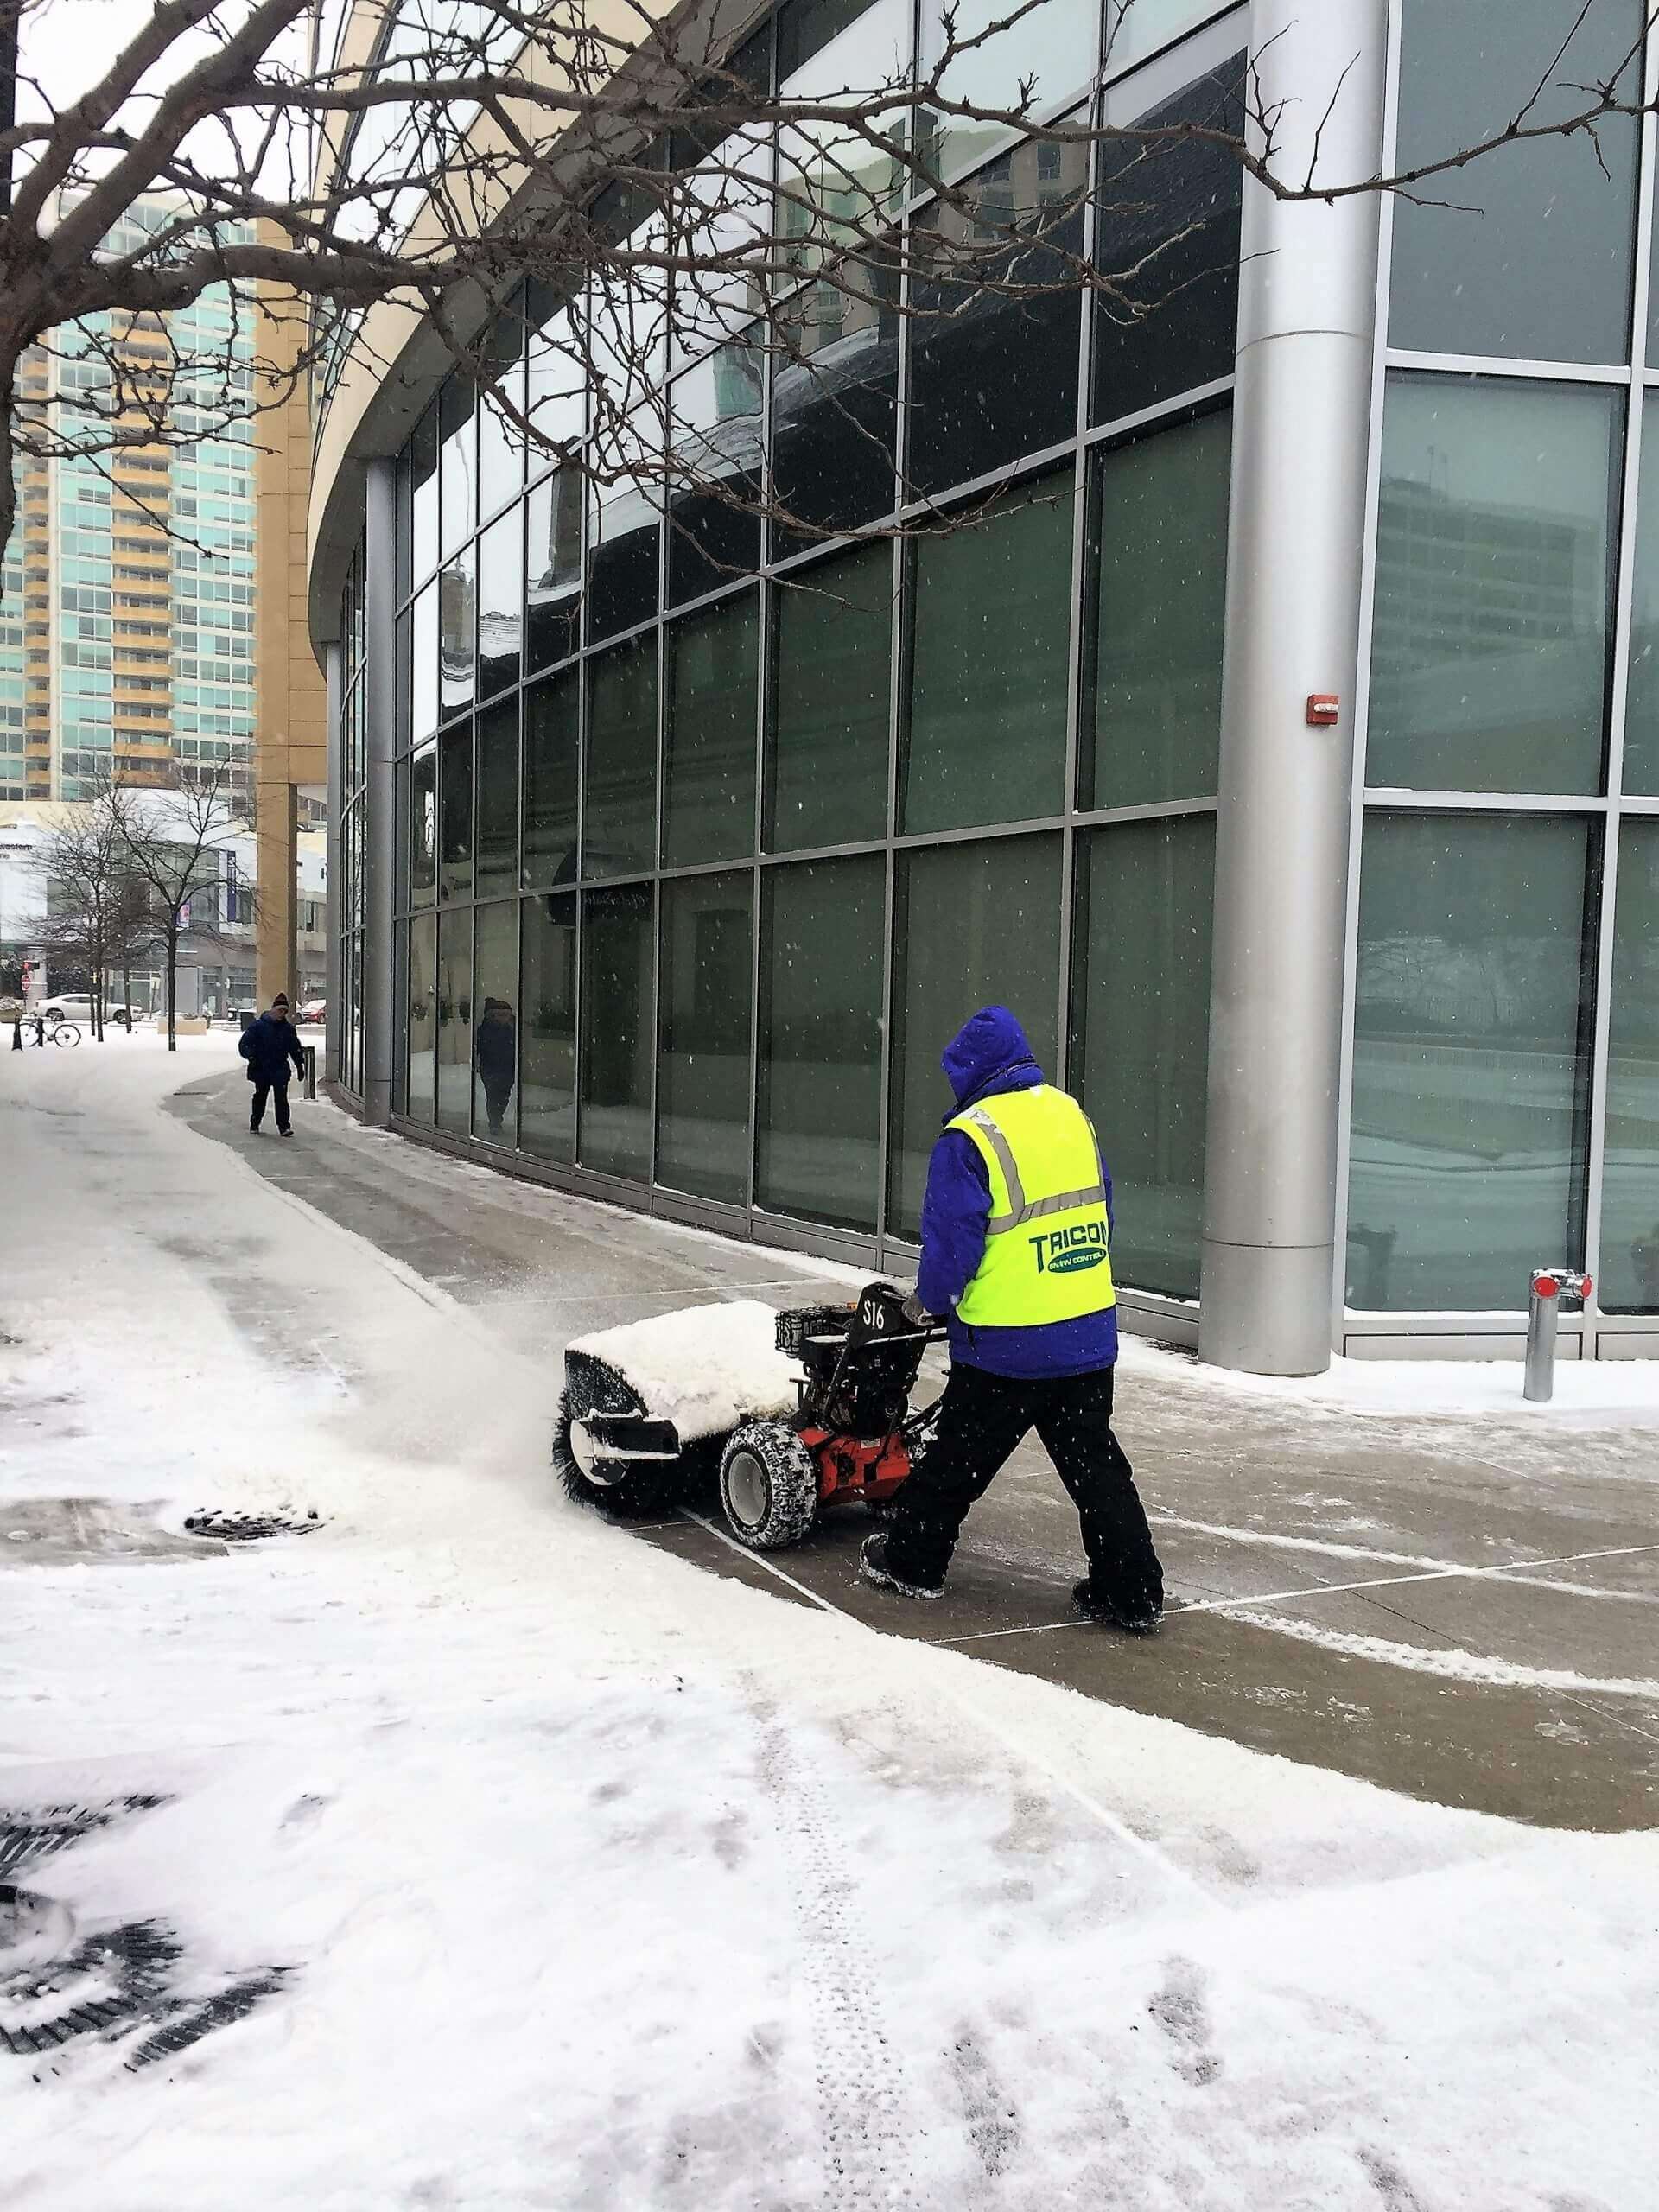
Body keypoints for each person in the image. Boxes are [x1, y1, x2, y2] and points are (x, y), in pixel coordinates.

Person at [860, 1005, 1164, 1632]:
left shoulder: (969, 1139)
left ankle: (912, 1562)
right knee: (1096, 1470)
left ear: (969, 1072)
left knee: (956, 1463)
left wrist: (928, 1304)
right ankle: (1131, 1590)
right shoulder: (1070, 1114)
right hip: (1084, 1334)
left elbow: (952, 1247)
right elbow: (1099, 1206)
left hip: (1007, 1347)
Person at [238, 991, 307, 1136]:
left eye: (285, 1011)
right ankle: (255, 1123)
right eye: (280, 1010)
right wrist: (251, 1056)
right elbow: (244, 1044)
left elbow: (295, 1048)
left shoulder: (288, 1030)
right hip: (261, 1068)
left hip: (279, 1069)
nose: (282, 1014)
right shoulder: (258, 1027)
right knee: (260, 1097)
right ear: (273, 1010)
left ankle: (284, 1127)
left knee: (281, 1099)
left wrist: (299, 1065)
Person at [474, 996, 517, 1139]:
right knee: (493, 1095)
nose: (502, 1018)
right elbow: (479, 1047)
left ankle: (496, 1118)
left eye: (505, 1015)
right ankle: (495, 1121)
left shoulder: (512, 1029)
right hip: (491, 1067)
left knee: (504, 1095)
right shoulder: (485, 1029)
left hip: (506, 1067)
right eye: (499, 1015)